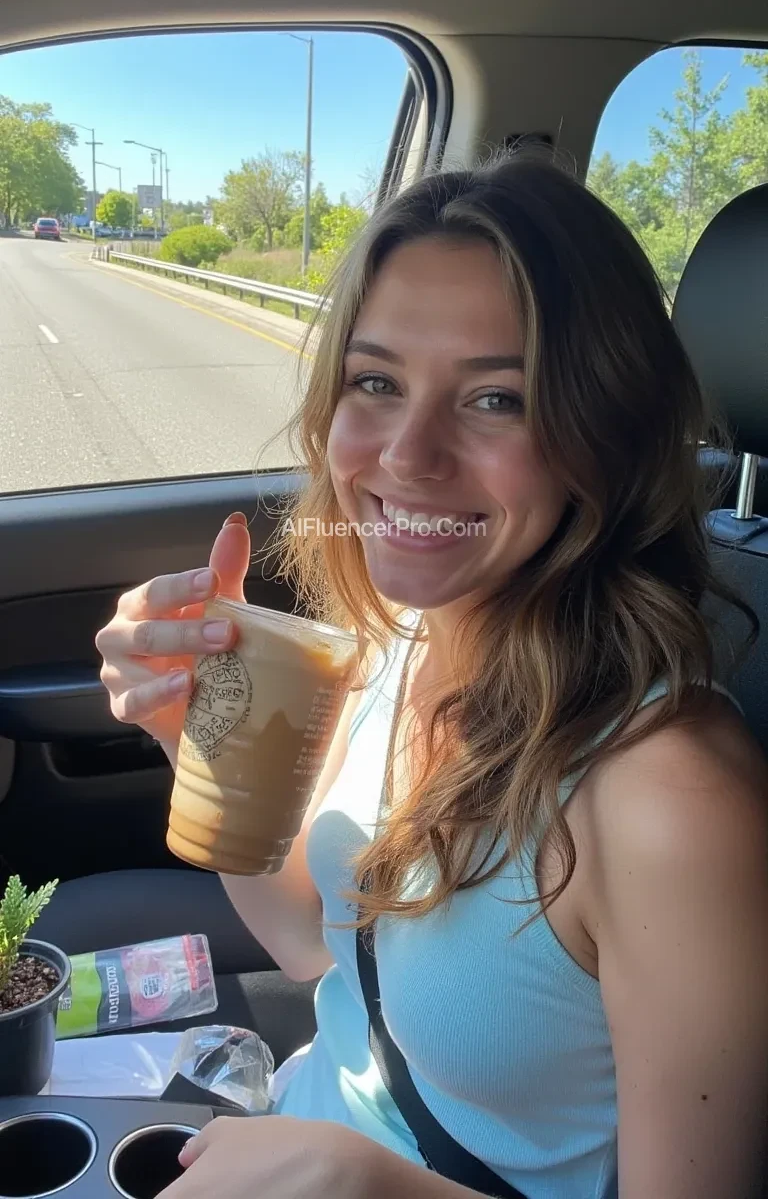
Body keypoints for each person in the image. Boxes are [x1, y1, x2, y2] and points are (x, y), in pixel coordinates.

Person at [96, 153, 768, 1199]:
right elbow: (324, 955)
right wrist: (203, 743)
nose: (408, 454)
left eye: (496, 398)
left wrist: (367, 1181)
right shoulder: (406, 636)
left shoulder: (670, 801)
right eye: (376, 382)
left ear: (602, 432)